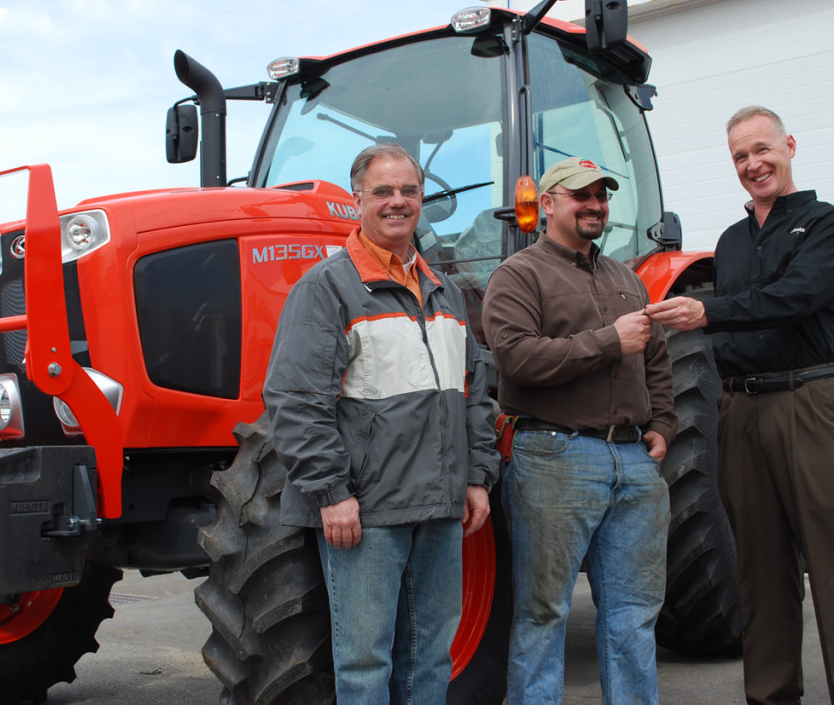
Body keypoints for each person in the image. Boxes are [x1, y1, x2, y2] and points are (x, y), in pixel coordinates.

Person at [646, 106, 834, 704]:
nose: (753, 165)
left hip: (811, 402)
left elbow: (797, 297)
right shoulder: (730, 242)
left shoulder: (828, 225)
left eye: (762, 150)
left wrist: (710, 314)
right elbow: (731, 329)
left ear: (790, 147)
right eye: (740, 157)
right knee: (760, 569)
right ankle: (771, 695)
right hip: (743, 411)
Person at [262, 142, 500, 704]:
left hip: (440, 508)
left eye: (409, 191)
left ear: (421, 199)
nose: (398, 202)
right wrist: (331, 493)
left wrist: (476, 477)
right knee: (365, 663)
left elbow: (473, 393)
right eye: (383, 192)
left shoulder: (444, 292)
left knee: (429, 659)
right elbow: (296, 399)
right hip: (367, 513)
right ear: (357, 200)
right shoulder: (326, 290)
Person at [482, 156, 676, 703]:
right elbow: (516, 359)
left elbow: (656, 357)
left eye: (601, 195)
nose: (594, 205)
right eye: (580, 195)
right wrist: (609, 341)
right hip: (555, 457)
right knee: (544, 613)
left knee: (634, 617)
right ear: (547, 204)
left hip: (634, 463)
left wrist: (662, 422)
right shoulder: (518, 275)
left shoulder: (626, 278)